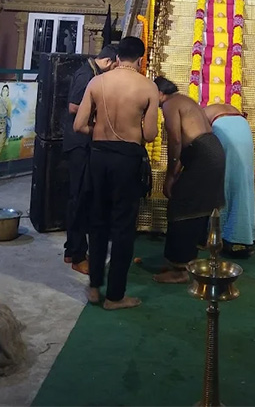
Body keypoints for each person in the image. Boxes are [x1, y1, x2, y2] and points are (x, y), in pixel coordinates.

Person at [74, 36, 159, 310]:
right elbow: (150, 134)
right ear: (140, 59)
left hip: (98, 156)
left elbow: (79, 125)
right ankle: (115, 296)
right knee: (123, 227)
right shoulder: (148, 87)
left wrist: (99, 131)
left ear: (118, 56)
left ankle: (94, 288)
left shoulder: (97, 82)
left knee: (97, 221)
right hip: (127, 159)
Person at [153, 78, 226, 284]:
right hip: (211, 152)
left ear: (160, 93)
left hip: (203, 155)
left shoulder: (169, 104)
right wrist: (176, 172)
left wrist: (170, 176)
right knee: (195, 206)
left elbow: (176, 140)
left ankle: (180, 269)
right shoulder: (184, 100)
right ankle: (187, 261)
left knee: (182, 207)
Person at [64, 45, 118, 275]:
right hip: (79, 144)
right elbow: (73, 107)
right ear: (109, 61)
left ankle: (71, 249)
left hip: (84, 143)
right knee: (79, 198)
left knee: (80, 196)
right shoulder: (86, 75)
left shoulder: (93, 72)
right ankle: (77, 255)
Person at [203, 103, 255, 259]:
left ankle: (223, 237)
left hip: (221, 127)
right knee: (243, 182)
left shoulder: (196, 114)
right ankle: (243, 238)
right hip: (243, 126)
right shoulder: (216, 109)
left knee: (223, 181)